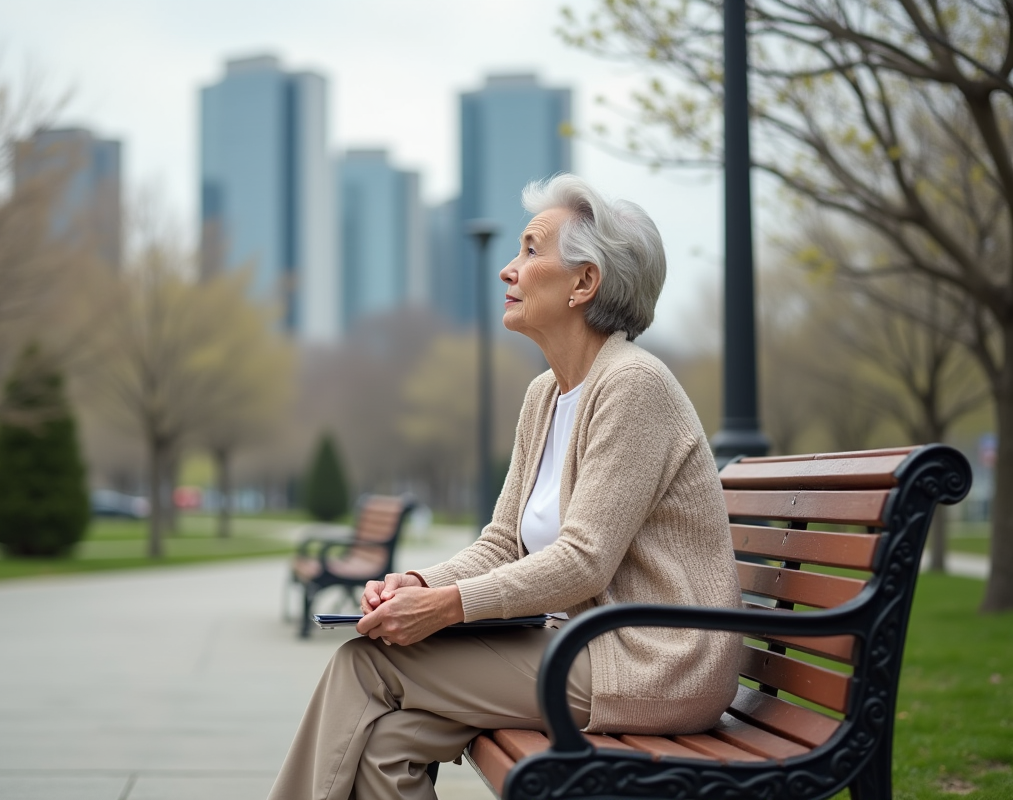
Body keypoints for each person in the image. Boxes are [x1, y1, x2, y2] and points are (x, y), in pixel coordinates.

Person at [267, 173, 741, 800]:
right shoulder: (545, 395)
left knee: (368, 661)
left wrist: (448, 607)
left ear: (584, 283)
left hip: (655, 662)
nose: (508, 270)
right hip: (587, 649)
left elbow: (583, 561)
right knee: (390, 742)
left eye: (529, 249)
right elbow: (503, 543)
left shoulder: (634, 386)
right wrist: (420, 584)